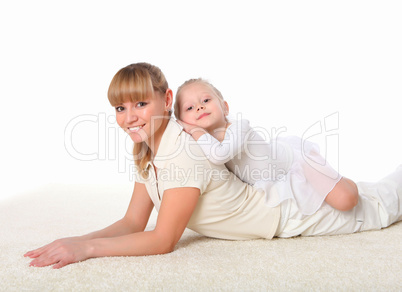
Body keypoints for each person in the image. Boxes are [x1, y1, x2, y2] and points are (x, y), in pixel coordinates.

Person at [24, 63, 402, 269]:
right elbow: (133, 222)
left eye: (140, 104)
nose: (129, 117)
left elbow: (162, 240)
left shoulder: (183, 153)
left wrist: (89, 250)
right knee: (376, 191)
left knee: (380, 205)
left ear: (166, 99)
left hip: (288, 214)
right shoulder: (147, 153)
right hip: (277, 203)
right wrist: (77, 240)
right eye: (120, 108)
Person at [174, 78, 358, 215]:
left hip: (295, 162)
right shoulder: (201, 144)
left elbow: (220, 154)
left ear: (225, 107)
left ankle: (346, 181)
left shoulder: (239, 127)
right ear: (181, 120)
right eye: (190, 108)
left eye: (206, 100)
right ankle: (332, 182)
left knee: (346, 201)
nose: (199, 107)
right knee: (320, 204)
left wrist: (193, 129)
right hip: (277, 179)